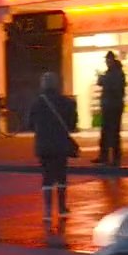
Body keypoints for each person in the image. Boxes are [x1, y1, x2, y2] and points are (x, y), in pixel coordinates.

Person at [28, 72, 78, 222]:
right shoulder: (67, 102)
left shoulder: (37, 103)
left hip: (44, 146)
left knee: (47, 178)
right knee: (61, 176)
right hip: (61, 145)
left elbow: (30, 125)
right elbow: (72, 125)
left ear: (43, 85)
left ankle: (48, 212)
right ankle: (62, 208)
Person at [96, 51, 126, 166]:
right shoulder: (110, 72)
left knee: (113, 133)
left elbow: (114, 88)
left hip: (114, 106)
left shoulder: (117, 73)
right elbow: (101, 83)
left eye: (108, 60)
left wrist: (104, 80)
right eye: (106, 60)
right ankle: (104, 156)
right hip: (108, 105)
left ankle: (115, 158)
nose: (107, 62)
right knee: (105, 132)